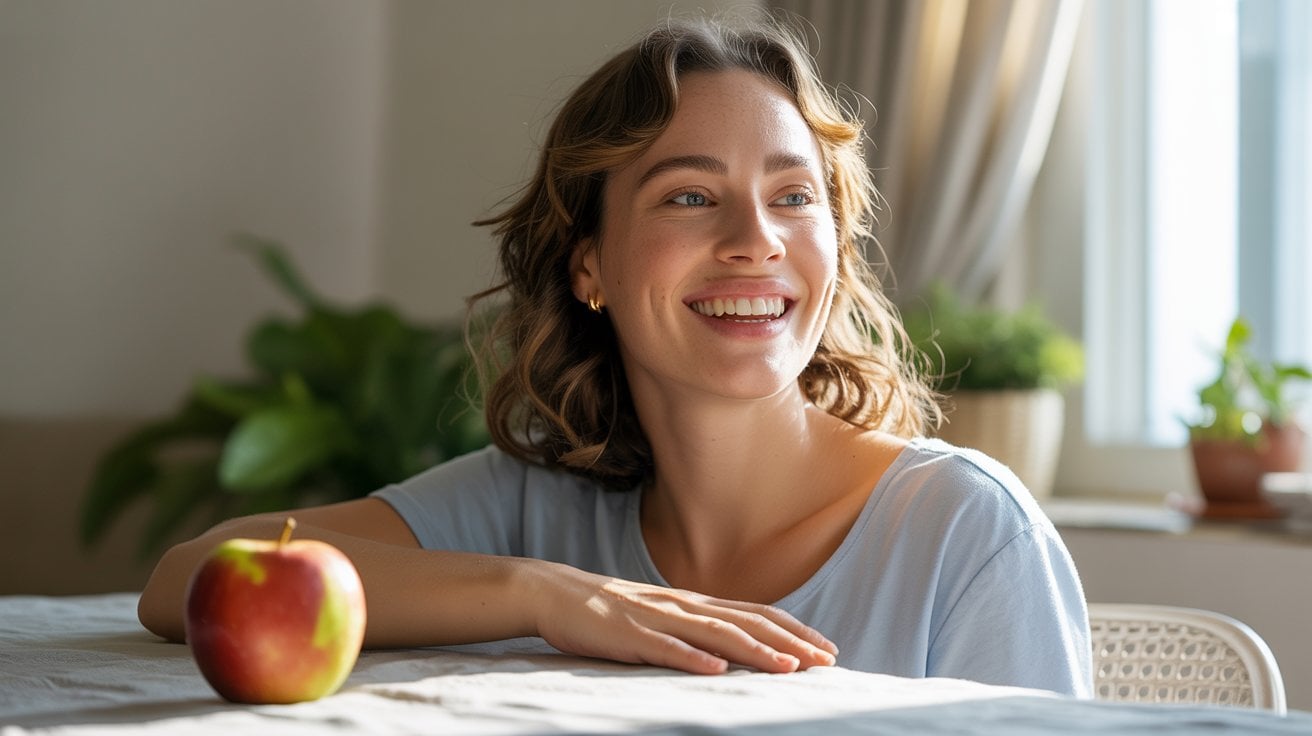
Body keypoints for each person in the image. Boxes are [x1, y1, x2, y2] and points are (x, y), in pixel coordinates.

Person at [138, 13, 1093, 697]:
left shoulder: (967, 535)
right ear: (588, 262)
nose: (755, 238)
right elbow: (188, 577)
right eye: (689, 196)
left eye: (795, 197)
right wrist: (541, 593)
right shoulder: (524, 512)